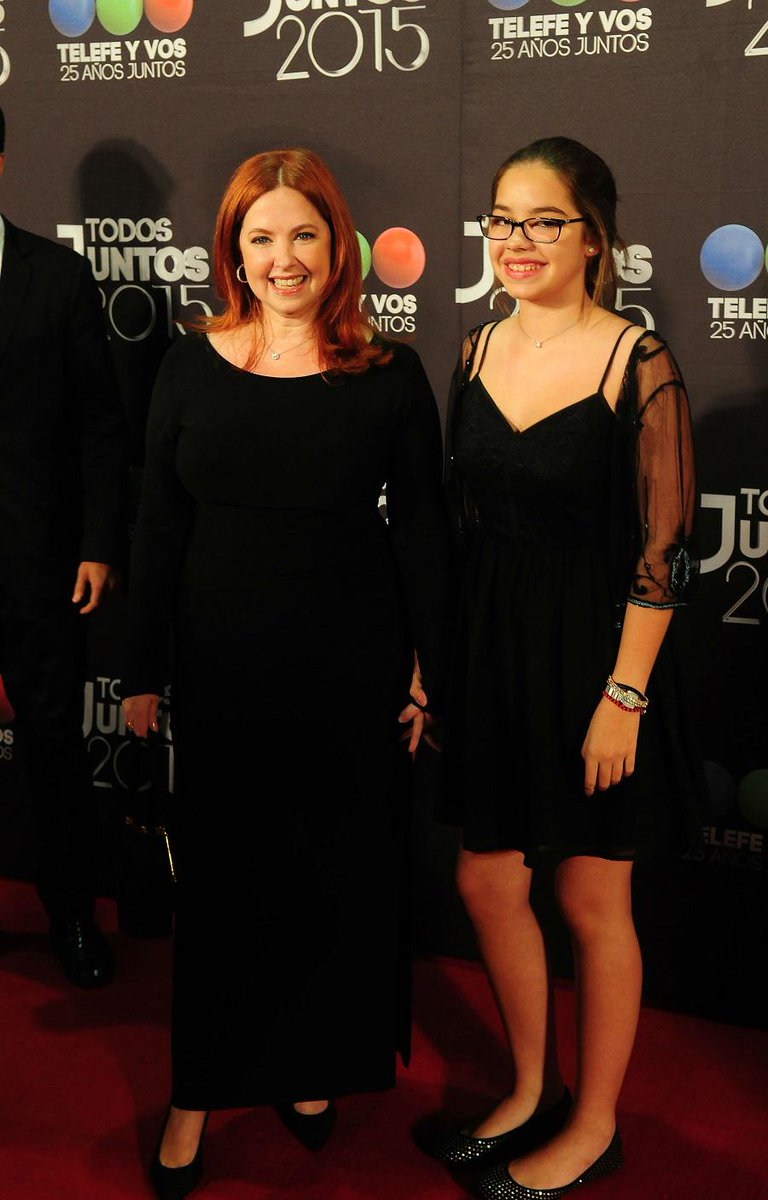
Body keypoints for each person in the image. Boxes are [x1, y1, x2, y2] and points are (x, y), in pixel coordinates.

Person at [122, 147, 446, 1198]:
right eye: (260, 237)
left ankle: (307, 1064)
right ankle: (198, 1090)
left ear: (338, 246)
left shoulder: (389, 374)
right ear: (232, 250)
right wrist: (139, 670)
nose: (283, 257)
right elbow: (157, 522)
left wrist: (426, 672)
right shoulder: (187, 362)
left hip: (349, 668)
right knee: (225, 887)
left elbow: (424, 536)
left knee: (327, 878)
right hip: (223, 667)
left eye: (303, 233)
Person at [421, 137, 702, 1199]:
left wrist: (624, 696)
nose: (518, 240)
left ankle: (593, 1125)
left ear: (596, 237)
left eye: (545, 221)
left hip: (597, 659)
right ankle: (531, 1089)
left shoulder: (640, 360)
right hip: (491, 651)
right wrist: (431, 665)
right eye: (503, 219)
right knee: (487, 877)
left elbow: (664, 551)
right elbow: (456, 529)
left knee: (591, 895)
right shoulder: (473, 352)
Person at [0, 105, 126, 987]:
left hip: (38, 559)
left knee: (53, 741)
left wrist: (96, 542)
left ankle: (73, 914)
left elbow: (99, 425)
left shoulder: (57, 276)